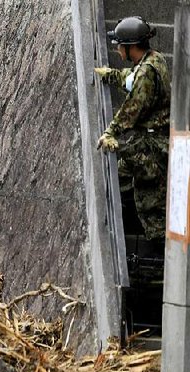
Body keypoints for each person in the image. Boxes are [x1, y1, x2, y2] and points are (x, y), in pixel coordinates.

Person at [95, 15, 171, 241]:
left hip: (153, 149)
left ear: (131, 47)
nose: (118, 51)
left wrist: (110, 132)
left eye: (120, 46)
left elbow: (132, 108)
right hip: (152, 143)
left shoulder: (147, 72)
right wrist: (113, 76)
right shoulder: (154, 60)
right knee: (120, 179)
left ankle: (163, 266)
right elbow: (133, 79)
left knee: (151, 206)